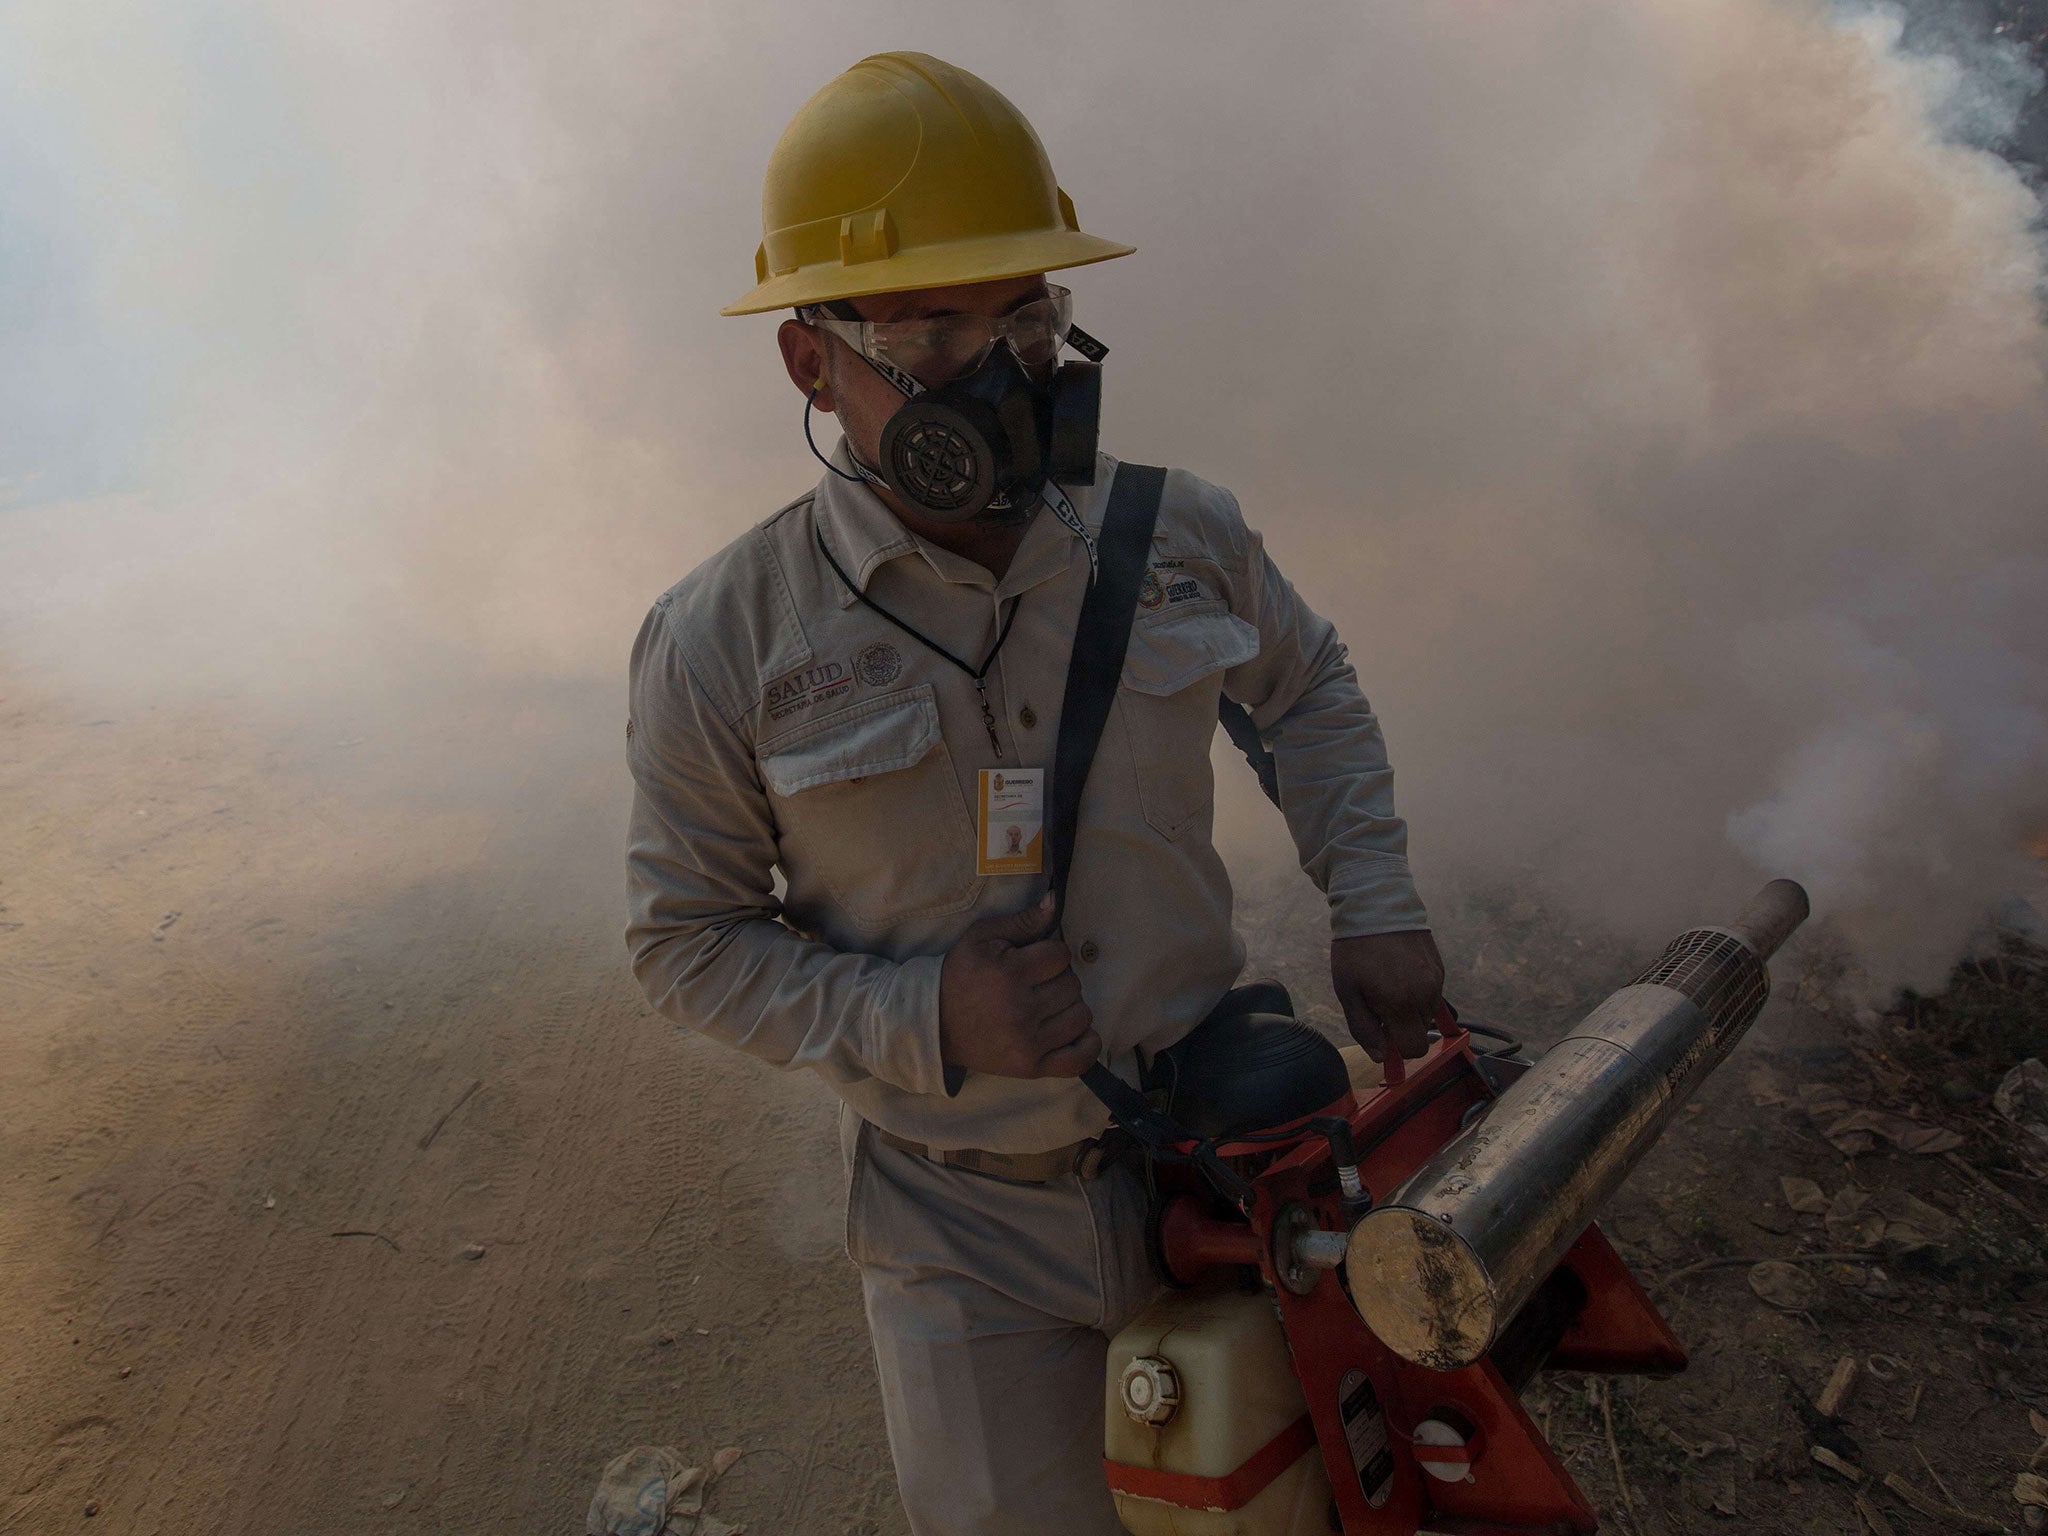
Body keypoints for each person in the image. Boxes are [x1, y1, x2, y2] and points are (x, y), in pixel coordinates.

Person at [626, 51, 1443, 1536]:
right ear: (814, 361)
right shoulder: (723, 641)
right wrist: (926, 1014)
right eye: (932, 325)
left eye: (1025, 314)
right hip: (961, 1229)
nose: (999, 370)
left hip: (1220, 1170)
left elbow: (1308, 688)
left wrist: (1375, 901)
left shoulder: (1177, 533)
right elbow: (681, 942)